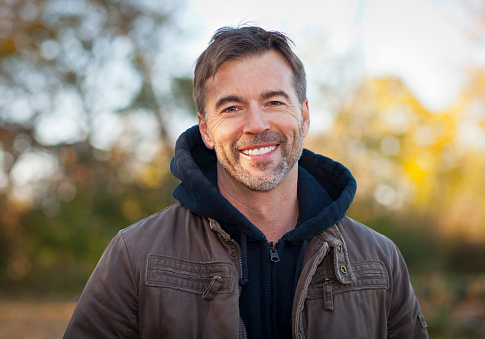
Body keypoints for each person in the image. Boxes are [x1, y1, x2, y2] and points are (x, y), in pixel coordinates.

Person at [63, 26, 428, 338]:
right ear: (206, 129)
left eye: (273, 102)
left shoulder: (381, 261)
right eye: (231, 108)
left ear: (303, 115)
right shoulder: (135, 255)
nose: (256, 125)